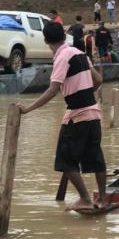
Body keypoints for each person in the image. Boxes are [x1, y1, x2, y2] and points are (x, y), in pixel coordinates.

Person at [17, 22, 106, 211]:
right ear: (64, 37)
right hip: (93, 112)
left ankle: (85, 199)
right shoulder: (78, 53)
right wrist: (85, 93)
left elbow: (51, 91)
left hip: (77, 115)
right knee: (95, 157)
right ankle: (102, 199)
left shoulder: (61, 57)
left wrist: (27, 109)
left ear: (46, 40)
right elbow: (98, 80)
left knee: (64, 161)